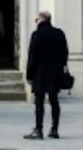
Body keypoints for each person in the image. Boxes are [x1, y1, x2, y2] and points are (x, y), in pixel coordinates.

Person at [24, 10, 69, 140]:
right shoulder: (59, 34)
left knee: (39, 102)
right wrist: (61, 67)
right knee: (54, 101)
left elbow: (32, 57)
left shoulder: (37, 35)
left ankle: (39, 130)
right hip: (55, 73)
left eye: (36, 20)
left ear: (41, 20)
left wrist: (29, 75)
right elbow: (64, 53)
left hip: (40, 74)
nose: (35, 22)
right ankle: (54, 129)